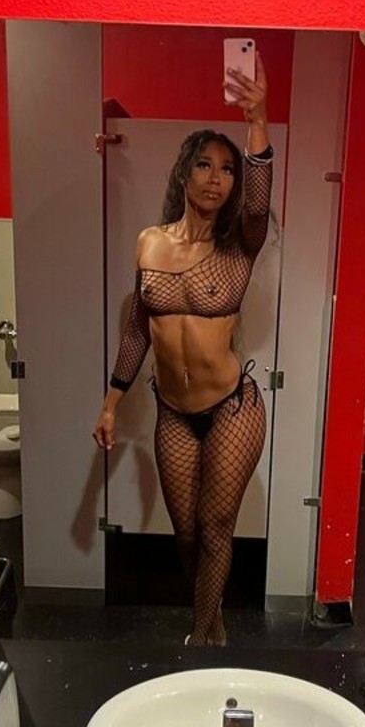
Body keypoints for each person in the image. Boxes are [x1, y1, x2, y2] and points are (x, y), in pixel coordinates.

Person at [93, 52, 274, 646]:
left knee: (217, 527)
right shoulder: (150, 242)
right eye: (204, 164)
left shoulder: (241, 244)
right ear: (185, 173)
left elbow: (258, 205)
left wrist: (257, 118)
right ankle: (211, 616)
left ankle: (199, 641)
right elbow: (138, 328)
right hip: (172, 410)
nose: (216, 177)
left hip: (232, 407)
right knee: (187, 533)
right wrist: (112, 404)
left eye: (227, 169)